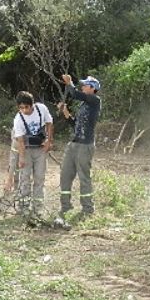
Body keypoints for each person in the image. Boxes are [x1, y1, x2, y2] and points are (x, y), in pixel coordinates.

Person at [57, 74, 101, 217]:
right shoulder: (84, 105)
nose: (82, 87)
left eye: (85, 85)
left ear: (93, 88)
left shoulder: (95, 101)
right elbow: (76, 125)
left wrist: (69, 83)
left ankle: (88, 209)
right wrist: (66, 113)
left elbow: (75, 94)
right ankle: (66, 206)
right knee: (65, 174)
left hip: (85, 146)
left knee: (84, 177)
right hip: (74, 144)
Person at [9, 91, 53, 215]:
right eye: (21, 108)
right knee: (25, 178)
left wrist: (49, 141)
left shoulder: (41, 109)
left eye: (26, 107)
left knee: (39, 178)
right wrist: (22, 158)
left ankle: (38, 207)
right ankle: (23, 207)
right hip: (26, 149)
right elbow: (20, 141)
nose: (24, 110)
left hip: (40, 149)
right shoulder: (18, 119)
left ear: (32, 105)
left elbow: (49, 123)